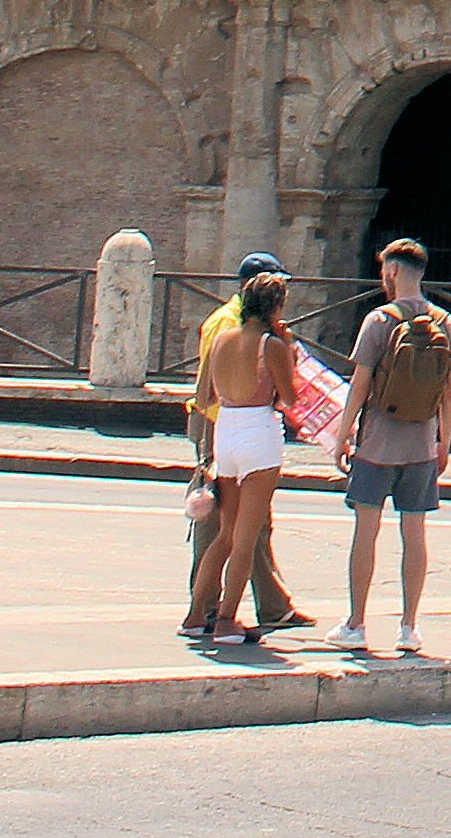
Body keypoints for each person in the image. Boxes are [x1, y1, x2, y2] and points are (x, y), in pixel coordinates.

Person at [335, 237, 451, 657]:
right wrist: (444, 442)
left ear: (391, 271)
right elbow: (450, 393)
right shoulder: (446, 321)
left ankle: (356, 624)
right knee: (415, 533)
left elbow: (360, 384)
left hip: (377, 445)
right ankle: (409, 627)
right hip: (423, 445)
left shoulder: (378, 320)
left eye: (383, 270)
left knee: (365, 533)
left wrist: (342, 434)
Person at [181, 255, 297, 648]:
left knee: (224, 535)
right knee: (246, 537)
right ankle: (228, 620)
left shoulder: (220, 338)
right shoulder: (271, 345)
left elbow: (207, 393)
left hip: (226, 433)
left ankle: (196, 616)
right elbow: (290, 397)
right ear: (274, 307)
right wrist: (289, 350)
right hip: (258, 435)